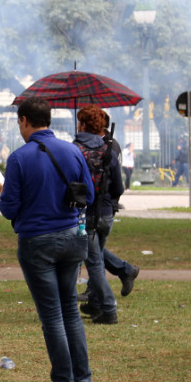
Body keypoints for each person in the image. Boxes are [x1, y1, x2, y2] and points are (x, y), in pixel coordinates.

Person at [0, 97, 94, 382]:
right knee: (70, 313)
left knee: (51, 315)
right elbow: (87, 193)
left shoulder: (19, 158)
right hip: (71, 238)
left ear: (24, 121)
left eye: (19, 122)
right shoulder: (72, 150)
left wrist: (4, 190)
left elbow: (9, 209)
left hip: (37, 242)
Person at [73, 105, 122, 325]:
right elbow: (119, 187)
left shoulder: (74, 151)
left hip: (86, 216)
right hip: (106, 215)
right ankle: (96, 304)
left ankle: (109, 309)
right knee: (97, 260)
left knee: (94, 264)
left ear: (83, 125)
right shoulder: (108, 150)